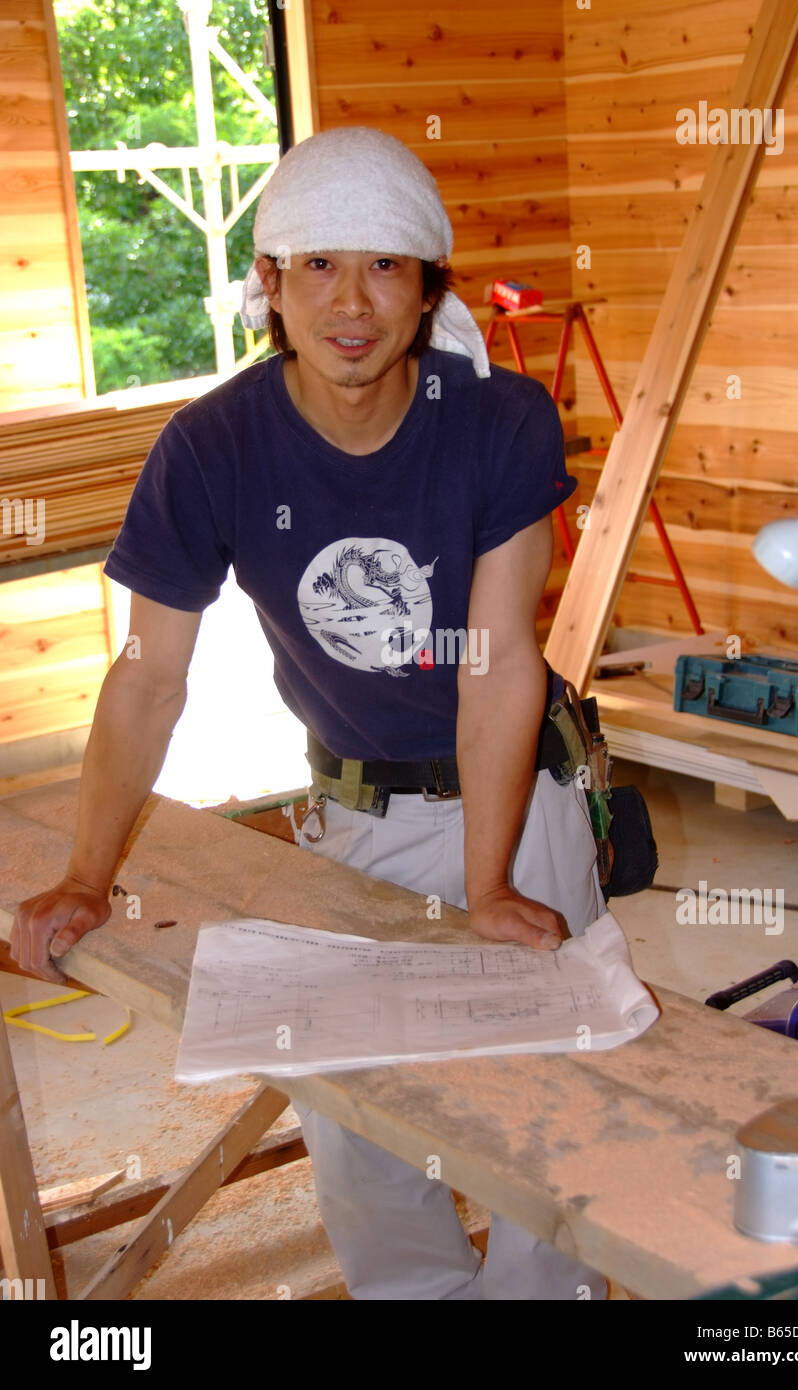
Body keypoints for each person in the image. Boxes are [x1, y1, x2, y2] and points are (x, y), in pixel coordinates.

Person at [11, 126, 608, 1300]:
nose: (351, 300)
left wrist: (490, 886)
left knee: (556, 1097)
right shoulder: (212, 447)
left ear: (427, 286)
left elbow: (493, 665)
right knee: (359, 1117)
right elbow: (146, 675)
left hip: (519, 795)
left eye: (385, 265)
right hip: (348, 812)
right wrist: (87, 874)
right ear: (267, 285)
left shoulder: (496, 421)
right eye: (316, 264)